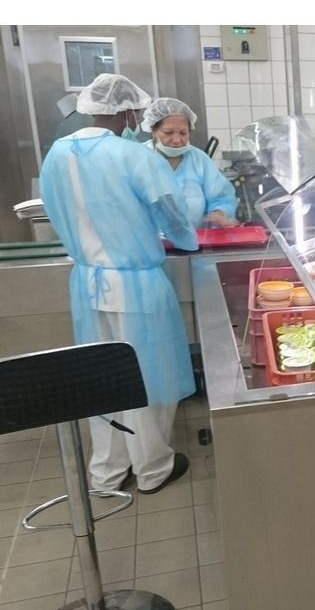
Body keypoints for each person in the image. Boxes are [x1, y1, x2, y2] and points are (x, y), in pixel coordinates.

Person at [39, 74, 196, 494]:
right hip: (137, 284)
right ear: (127, 112)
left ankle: (108, 471)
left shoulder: (57, 154)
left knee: (102, 378)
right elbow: (172, 213)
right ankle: (152, 468)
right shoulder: (133, 156)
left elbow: (55, 210)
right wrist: (185, 240)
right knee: (148, 377)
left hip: (87, 283)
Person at [141, 97, 239, 228]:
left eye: (183, 133)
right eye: (168, 133)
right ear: (154, 131)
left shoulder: (199, 160)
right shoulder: (138, 158)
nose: (177, 140)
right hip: (149, 239)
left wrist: (219, 213)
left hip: (195, 238)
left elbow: (221, 196)